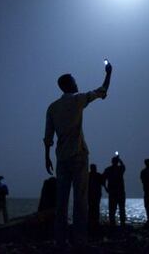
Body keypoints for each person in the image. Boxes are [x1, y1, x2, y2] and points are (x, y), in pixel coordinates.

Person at [43, 62, 112, 246]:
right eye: (74, 81)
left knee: (61, 203)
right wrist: (109, 73)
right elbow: (102, 90)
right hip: (79, 156)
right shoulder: (78, 99)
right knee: (81, 201)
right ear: (68, 85)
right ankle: (80, 241)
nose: (76, 83)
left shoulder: (52, 107)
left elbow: (48, 137)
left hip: (61, 158)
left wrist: (46, 157)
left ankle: (60, 241)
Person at [103, 155, 126, 227]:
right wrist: (120, 160)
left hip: (113, 192)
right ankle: (122, 223)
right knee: (121, 208)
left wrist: (105, 188)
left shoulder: (108, 169)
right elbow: (123, 166)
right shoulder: (119, 169)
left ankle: (113, 224)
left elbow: (103, 179)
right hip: (119, 192)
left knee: (112, 209)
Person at [88, 164, 104, 229]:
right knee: (95, 208)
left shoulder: (88, 175)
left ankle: (92, 222)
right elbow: (103, 183)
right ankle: (94, 222)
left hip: (92, 195)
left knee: (92, 208)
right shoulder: (97, 175)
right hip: (94, 195)